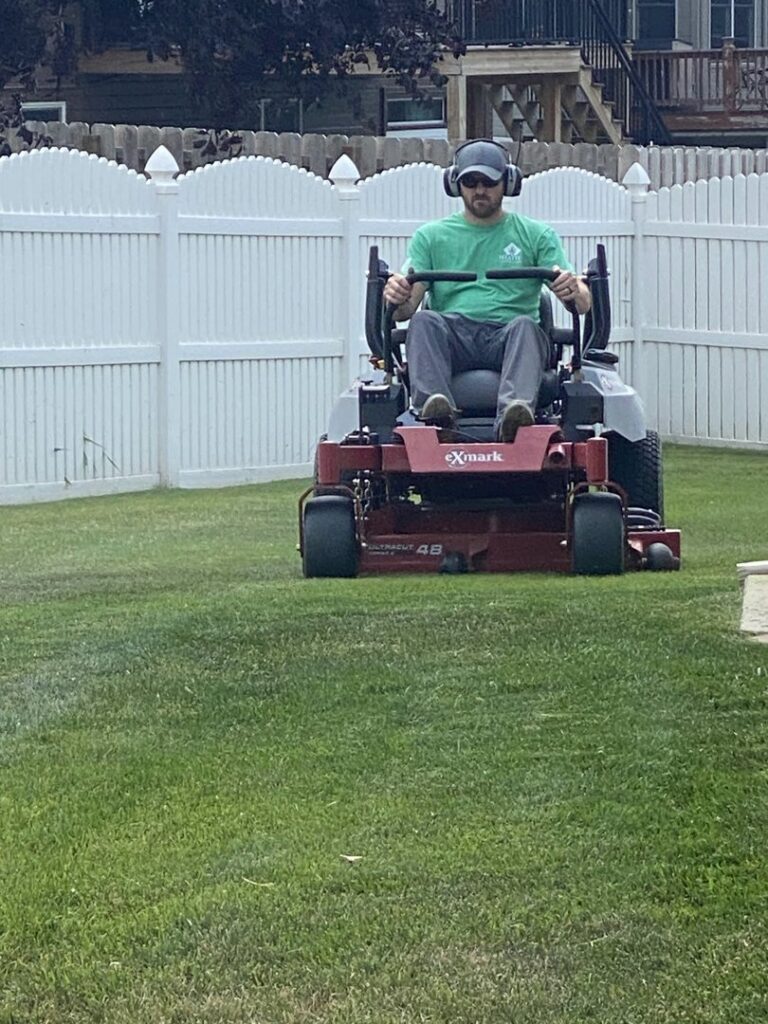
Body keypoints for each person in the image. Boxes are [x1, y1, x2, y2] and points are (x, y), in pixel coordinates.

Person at [382, 139, 592, 441]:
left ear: (507, 182)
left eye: (488, 181)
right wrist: (397, 294)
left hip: (510, 336)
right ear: (456, 184)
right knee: (424, 321)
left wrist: (572, 288)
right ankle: (436, 414)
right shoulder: (430, 237)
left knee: (525, 327)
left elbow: (582, 303)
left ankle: (514, 414)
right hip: (453, 337)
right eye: (470, 181)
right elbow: (405, 311)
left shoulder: (535, 235)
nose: (479, 190)